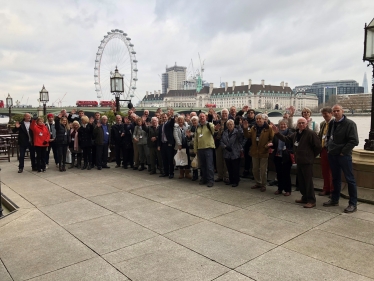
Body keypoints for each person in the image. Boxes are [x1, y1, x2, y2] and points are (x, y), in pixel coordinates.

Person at [271, 117, 321, 208]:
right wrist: (277, 133)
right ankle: (305, 197)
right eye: (299, 123)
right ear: (297, 125)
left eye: (303, 123)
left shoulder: (311, 133)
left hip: (307, 161)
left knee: (308, 181)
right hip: (299, 161)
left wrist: (310, 156)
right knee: (301, 181)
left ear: (306, 124)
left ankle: (311, 200)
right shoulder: (296, 134)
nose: (301, 125)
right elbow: (286, 139)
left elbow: (318, 147)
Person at [323, 104, 359, 213]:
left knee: (350, 179)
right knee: (335, 178)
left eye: (338, 110)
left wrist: (343, 152)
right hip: (332, 154)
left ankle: (353, 204)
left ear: (342, 111)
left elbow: (354, 141)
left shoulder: (350, 124)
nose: (336, 113)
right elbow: (329, 136)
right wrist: (329, 147)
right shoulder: (332, 123)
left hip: (344, 156)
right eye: (334, 111)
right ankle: (334, 199)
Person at [242, 114, 274, 192]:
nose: (258, 120)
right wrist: (245, 129)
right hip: (255, 151)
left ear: (264, 120)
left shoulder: (269, 128)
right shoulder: (254, 128)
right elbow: (247, 136)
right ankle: (258, 182)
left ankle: (263, 184)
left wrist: (267, 145)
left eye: (260, 119)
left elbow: (272, 138)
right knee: (255, 169)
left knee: (263, 170)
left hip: (264, 151)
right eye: (257, 119)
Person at [271, 119, 293, 196]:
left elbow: (292, 145)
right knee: (279, 173)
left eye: (284, 124)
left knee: (286, 174)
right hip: (278, 155)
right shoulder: (276, 134)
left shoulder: (290, 134)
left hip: (286, 156)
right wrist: (270, 145)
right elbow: (274, 144)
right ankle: (280, 188)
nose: (283, 126)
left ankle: (288, 190)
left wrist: (288, 151)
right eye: (281, 124)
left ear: (287, 125)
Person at [194, 113, 215, 187]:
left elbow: (213, 129)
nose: (202, 118)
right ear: (199, 118)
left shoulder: (209, 125)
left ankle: (210, 180)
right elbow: (195, 139)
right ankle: (204, 179)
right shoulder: (198, 127)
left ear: (205, 118)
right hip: (200, 149)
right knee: (202, 166)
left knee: (209, 165)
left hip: (208, 148)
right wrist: (195, 149)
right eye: (200, 117)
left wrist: (213, 122)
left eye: (203, 116)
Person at [220, 119, 243, 187]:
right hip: (227, 152)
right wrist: (225, 146)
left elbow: (240, 136)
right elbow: (221, 141)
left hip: (235, 152)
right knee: (229, 168)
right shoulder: (225, 132)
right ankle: (231, 180)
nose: (230, 126)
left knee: (235, 168)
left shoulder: (237, 132)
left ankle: (236, 181)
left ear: (234, 125)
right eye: (228, 125)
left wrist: (239, 126)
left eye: (231, 124)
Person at [318, 107, 334, 196]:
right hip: (323, 149)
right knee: (324, 170)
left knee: (333, 171)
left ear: (331, 113)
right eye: (323, 114)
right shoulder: (322, 124)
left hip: (332, 150)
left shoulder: (335, 123)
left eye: (326, 113)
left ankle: (332, 190)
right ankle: (326, 188)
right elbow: (321, 135)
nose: (324, 115)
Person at [158, 111, 176, 179]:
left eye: (165, 117)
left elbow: (172, 122)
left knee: (170, 159)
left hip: (169, 144)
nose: (164, 118)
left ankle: (171, 173)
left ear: (167, 117)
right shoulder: (160, 126)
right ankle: (166, 172)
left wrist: (172, 116)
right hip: (162, 144)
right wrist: (159, 145)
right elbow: (159, 136)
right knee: (164, 159)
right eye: (163, 117)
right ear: (161, 118)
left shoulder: (169, 124)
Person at [213, 109, 229, 183]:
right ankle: (220, 176)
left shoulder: (230, 122)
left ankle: (226, 176)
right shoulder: (217, 122)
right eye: (223, 113)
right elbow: (213, 132)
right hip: (218, 143)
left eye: (225, 113)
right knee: (219, 161)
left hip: (226, 144)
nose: (224, 114)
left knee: (226, 161)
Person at [186, 115, 199, 181]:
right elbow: (189, 139)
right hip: (191, 147)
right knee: (193, 161)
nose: (194, 122)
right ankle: (195, 175)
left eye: (195, 120)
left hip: (199, 147)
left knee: (200, 161)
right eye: (193, 121)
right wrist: (188, 137)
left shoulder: (200, 127)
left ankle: (202, 175)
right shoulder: (191, 128)